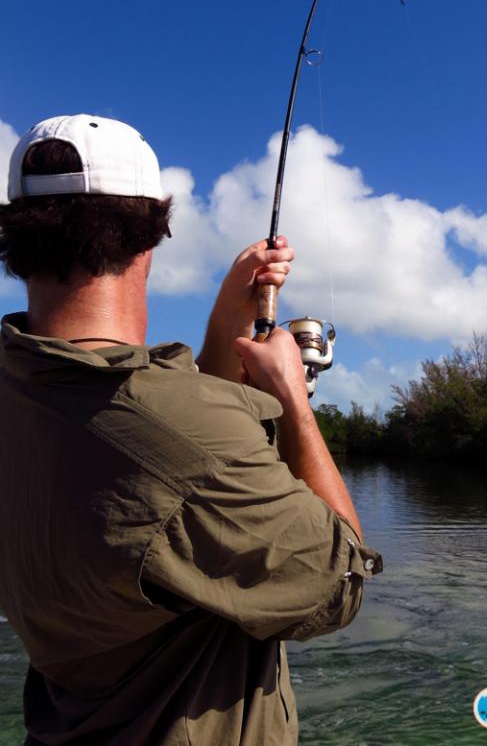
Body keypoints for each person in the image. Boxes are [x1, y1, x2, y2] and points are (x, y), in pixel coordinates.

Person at [0, 114, 381, 746]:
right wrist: (293, 398)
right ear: (148, 242)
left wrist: (230, 309)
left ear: (16, 239)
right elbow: (339, 583)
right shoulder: (185, 437)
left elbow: (156, 449)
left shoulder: (24, 389)